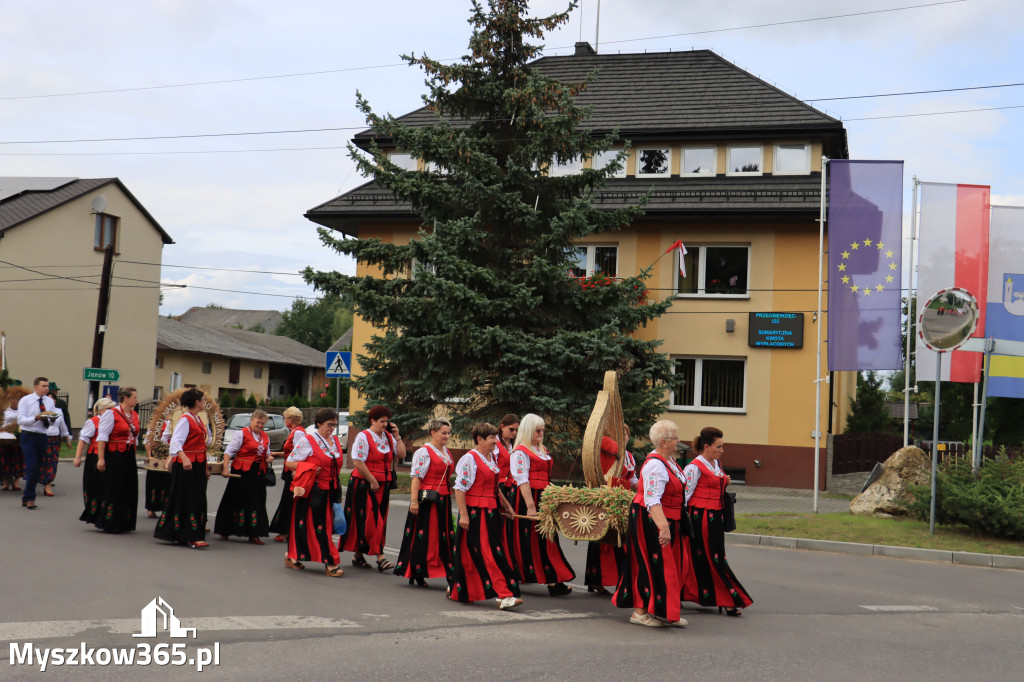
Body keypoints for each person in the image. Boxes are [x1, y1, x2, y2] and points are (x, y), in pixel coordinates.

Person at [612, 419, 691, 628]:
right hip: (651, 519)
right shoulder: (656, 464)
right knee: (647, 563)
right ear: (664, 442)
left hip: (668, 518)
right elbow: (652, 499)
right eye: (675, 438)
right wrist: (663, 527)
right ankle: (639, 612)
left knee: (669, 568)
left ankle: (662, 610)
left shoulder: (670, 461)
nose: (678, 441)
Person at [449, 422, 522, 609]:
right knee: (488, 553)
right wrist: (464, 516)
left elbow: (495, 489)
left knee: (478, 552)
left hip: (490, 512)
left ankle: (458, 587)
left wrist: (508, 507)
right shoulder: (469, 459)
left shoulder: (491, 458)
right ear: (479, 439)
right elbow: (459, 489)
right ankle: (504, 595)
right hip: (476, 513)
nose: (495, 442)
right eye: (491, 438)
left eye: (495, 438)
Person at [682, 427, 753, 616]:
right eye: (719, 446)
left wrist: (724, 482)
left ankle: (688, 592)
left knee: (714, 556)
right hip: (700, 518)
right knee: (711, 557)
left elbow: (714, 484)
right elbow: (685, 495)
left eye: (723, 446)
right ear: (707, 446)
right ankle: (729, 598)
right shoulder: (693, 467)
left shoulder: (716, 464)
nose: (722, 450)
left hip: (715, 517)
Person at [507, 413, 575, 596]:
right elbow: (522, 480)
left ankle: (554, 580)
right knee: (525, 540)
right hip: (527, 498)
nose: (541, 432)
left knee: (548, 539)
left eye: (542, 430)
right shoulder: (520, 451)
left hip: (544, 497)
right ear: (528, 430)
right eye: (537, 430)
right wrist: (530, 506)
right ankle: (520, 577)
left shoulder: (541, 449)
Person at [341, 405, 405, 572]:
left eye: (386, 421)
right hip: (364, 483)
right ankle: (380, 556)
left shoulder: (388, 437)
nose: (385, 424)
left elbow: (402, 455)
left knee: (378, 520)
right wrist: (372, 480)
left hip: (383, 484)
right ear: (372, 421)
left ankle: (358, 555)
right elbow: (358, 462)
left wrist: (397, 436)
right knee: (368, 520)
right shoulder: (363, 437)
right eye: (381, 421)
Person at [394, 418, 454, 588]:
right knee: (425, 536)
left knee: (443, 536)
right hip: (428, 499)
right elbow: (416, 477)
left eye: (448, 433)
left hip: (443, 498)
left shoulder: (446, 452)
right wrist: (414, 501)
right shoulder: (424, 452)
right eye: (444, 433)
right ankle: (417, 570)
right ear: (432, 432)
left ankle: (446, 569)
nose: (447, 436)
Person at [284, 407, 344, 577]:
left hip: (330, 489)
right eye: (329, 425)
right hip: (313, 490)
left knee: (321, 526)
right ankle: (329, 561)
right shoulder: (307, 441)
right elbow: (290, 462)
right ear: (318, 423)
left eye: (334, 425)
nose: (332, 428)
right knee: (315, 526)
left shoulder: (335, 441)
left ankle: (291, 555)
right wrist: (310, 467)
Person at [154, 388, 212, 549]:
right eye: (203, 399)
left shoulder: (197, 419)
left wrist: (205, 467)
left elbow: (201, 446)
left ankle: (184, 534)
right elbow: (176, 441)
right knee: (188, 498)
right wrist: (185, 458)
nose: (204, 402)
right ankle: (190, 536)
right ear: (196, 402)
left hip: (197, 464)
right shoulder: (186, 419)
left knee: (196, 497)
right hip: (187, 465)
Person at [584, 435, 639, 596]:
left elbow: (633, 479)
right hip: (609, 498)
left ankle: (620, 580)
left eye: (627, 435)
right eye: (623, 434)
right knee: (603, 538)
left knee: (622, 539)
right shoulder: (608, 454)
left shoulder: (629, 456)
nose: (626, 437)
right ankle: (598, 579)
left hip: (624, 499)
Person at [214, 409, 273, 543]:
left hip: (258, 473)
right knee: (235, 499)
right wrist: (225, 468)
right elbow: (229, 451)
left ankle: (254, 533)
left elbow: (267, 452)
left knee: (257, 501)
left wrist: (268, 457)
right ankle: (225, 529)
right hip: (242, 472)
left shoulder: (265, 436)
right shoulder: (242, 434)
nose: (260, 425)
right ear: (252, 420)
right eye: (258, 422)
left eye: (262, 423)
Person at [93, 386, 140, 533]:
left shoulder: (135, 415)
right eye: (134, 397)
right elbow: (102, 437)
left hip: (128, 454)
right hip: (115, 454)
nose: (137, 400)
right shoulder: (111, 414)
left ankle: (125, 521)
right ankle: (110, 521)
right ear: (126, 398)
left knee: (128, 487)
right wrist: (101, 458)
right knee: (115, 486)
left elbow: (136, 437)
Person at [16, 377, 58, 509]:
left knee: (37, 469)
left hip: (43, 436)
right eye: (44, 386)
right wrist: (36, 417)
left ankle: (26, 497)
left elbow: (53, 420)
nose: (46, 388)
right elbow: (21, 420)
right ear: (36, 387)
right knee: (32, 466)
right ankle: (30, 498)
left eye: (47, 386)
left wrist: (52, 418)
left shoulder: (49, 401)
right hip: (29, 436)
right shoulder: (26, 400)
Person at [74, 397, 116, 523]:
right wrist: (78, 457)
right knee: (93, 482)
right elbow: (83, 439)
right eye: (109, 409)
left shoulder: (113, 421)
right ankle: (92, 509)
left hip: (108, 454)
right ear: (102, 410)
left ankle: (103, 509)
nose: (112, 412)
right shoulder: (93, 421)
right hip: (94, 455)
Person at [269, 406, 305, 543]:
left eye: (286, 418)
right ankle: (286, 530)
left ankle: (286, 531)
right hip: (288, 469)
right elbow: (292, 452)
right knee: (287, 500)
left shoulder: (298, 433)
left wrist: (295, 471)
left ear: (292, 419)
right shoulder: (294, 432)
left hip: (293, 472)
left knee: (288, 501)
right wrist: (278, 454)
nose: (284, 420)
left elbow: (299, 454)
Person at [40, 391, 72, 497]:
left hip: (53, 439)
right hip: (42, 437)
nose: (51, 401)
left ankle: (48, 485)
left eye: (52, 399)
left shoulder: (58, 411)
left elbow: (63, 426)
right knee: (41, 461)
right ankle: (40, 480)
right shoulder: (40, 410)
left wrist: (67, 439)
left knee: (52, 462)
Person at [1, 387, 28, 492]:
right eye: (12, 398)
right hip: (4, 436)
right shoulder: (5, 410)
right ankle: (6, 481)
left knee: (17, 458)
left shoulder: (23, 410)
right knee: (5, 458)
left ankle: (16, 481)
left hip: (17, 437)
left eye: (16, 399)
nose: (14, 401)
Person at [142, 420, 171, 518]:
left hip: (170, 456)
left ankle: (166, 507)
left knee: (168, 483)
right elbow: (148, 441)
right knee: (154, 482)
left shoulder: (177, 420)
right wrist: (150, 456)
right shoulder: (158, 421)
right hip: (157, 455)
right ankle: (151, 508)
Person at [493, 413, 519, 502]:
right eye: (511, 429)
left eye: (516, 430)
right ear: (502, 427)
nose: (514, 432)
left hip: (511, 484)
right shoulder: (495, 443)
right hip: (498, 484)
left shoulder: (515, 444)